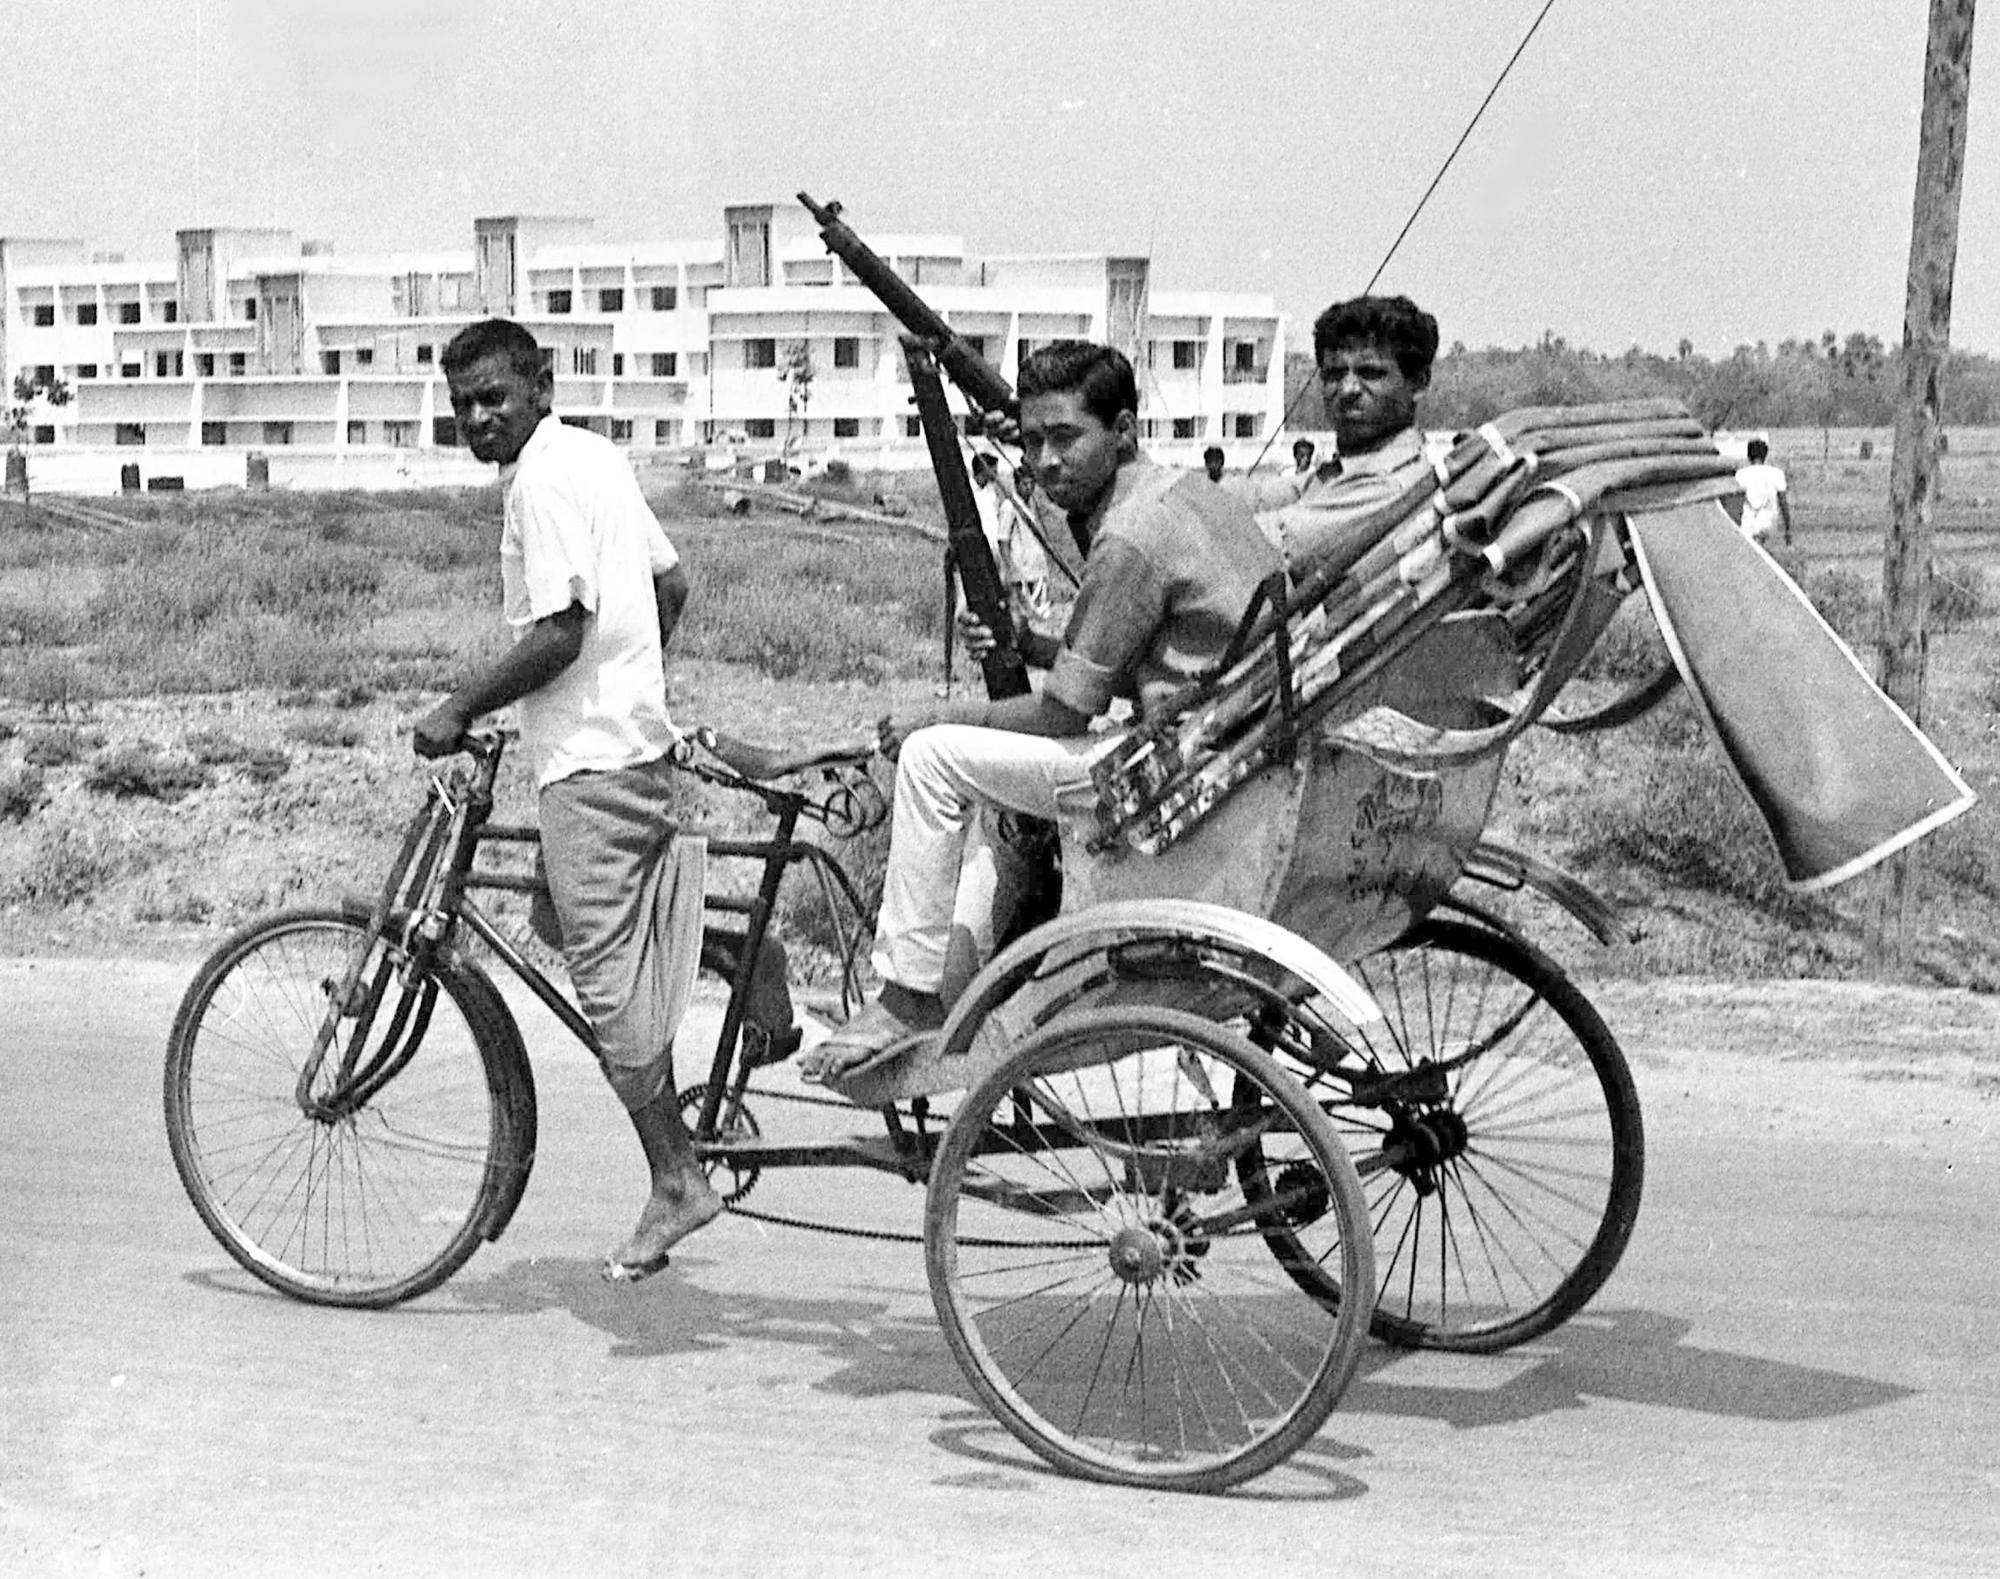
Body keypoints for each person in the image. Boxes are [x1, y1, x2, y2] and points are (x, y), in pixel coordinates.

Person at [799, 341, 1281, 1082]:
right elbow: (1158, 661)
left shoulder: (1128, 537)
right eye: (1032, 441)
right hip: (1220, 738)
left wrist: (934, 714)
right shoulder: (1186, 494)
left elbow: (1064, 717)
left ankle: (907, 995)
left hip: (1172, 768)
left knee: (931, 759)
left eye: (1065, 437)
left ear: (1122, 431)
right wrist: (1032, 642)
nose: (1046, 461)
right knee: (986, 781)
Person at [414, 318, 734, 1285]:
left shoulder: (542, 484)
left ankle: (676, 1179)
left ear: (541, 386)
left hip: (591, 769)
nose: (477, 420)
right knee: (560, 912)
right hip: (627, 744)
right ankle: (740, 969)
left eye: (494, 399)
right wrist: (628, 684)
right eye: (463, 404)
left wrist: (458, 704)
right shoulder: (590, 457)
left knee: (605, 988)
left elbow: (558, 631)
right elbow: (669, 586)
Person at [1248, 293, 1445, 579]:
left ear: (1417, 383)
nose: (1348, 388)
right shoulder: (1348, 469)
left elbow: (1262, 541)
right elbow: (1258, 496)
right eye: (1334, 374)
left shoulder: (1390, 487)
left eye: (1370, 373)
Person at [969, 448, 1052, 621]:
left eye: (1032, 484)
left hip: (1000, 553)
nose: (997, 474)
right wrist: (1010, 565)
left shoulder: (992, 492)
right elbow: (1003, 537)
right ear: (984, 470)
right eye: (994, 470)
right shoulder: (970, 493)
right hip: (982, 549)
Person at [1735, 437, 1794, 545]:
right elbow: (1783, 502)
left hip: (1748, 522)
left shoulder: (1740, 475)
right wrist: (1788, 528)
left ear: (1748, 456)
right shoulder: (1777, 473)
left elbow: (1736, 503)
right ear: (1765, 455)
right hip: (1769, 520)